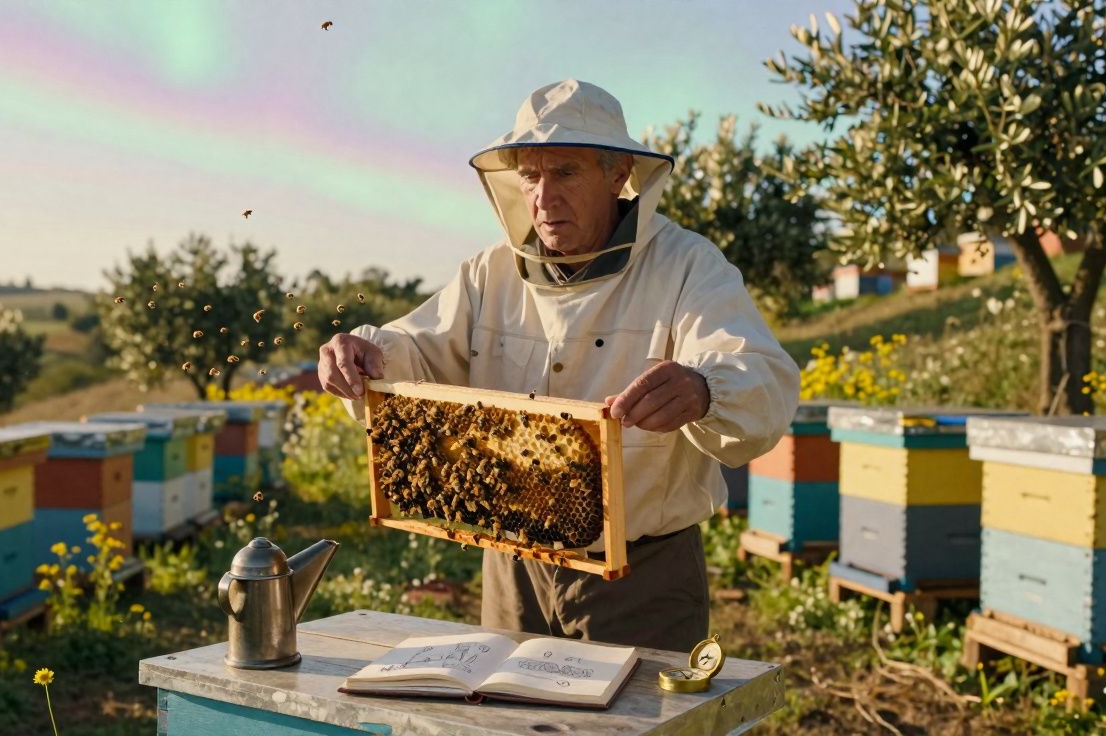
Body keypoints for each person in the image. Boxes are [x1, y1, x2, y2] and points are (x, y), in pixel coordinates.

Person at [318, 79, 799, 653]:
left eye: (566, 172)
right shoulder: (487, 274)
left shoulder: (687, 266)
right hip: (512, 567)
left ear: (618, 175)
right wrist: (366, 354)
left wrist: (704, 388)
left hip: (641, 577)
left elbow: (758, 373)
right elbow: (414, 351)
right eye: (530, 175)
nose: (543, 197)